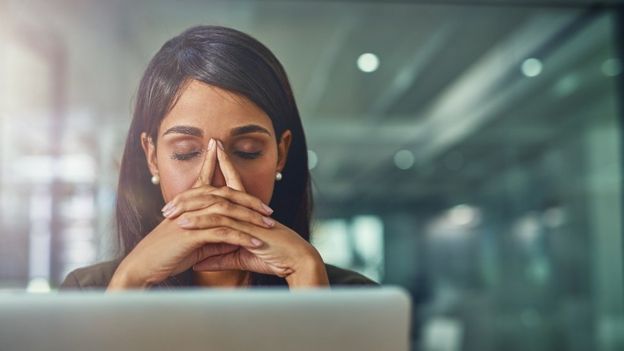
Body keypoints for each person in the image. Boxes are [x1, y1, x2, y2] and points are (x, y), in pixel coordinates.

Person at [61, 25, 376, 290]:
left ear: (281, 155)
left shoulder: (351, 295)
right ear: (153, 157)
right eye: (186, 152)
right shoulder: (91, 290)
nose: (217, 180)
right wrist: (131, 281)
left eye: (246, 151)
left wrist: (307, 275)